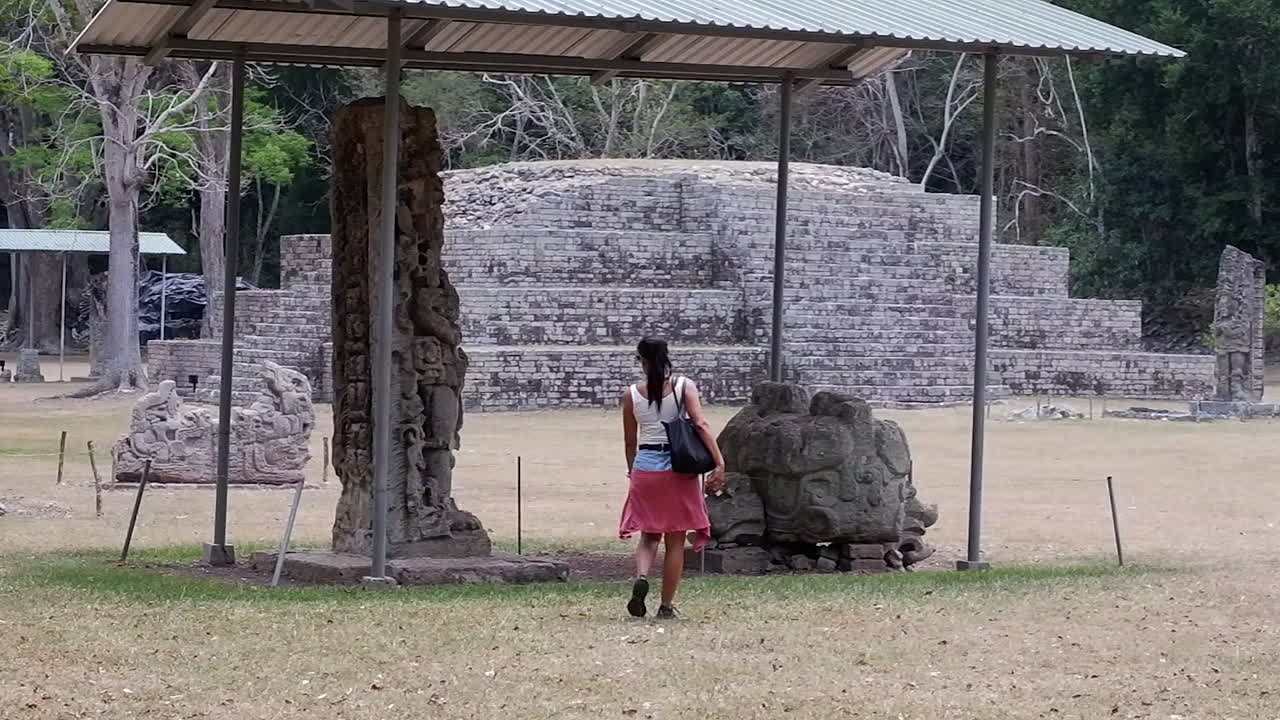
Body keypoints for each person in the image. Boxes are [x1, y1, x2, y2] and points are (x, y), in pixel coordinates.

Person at [619, 337, 726, 619]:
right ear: (666, 357)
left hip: (645, 467)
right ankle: (666, 606)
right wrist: (719, 461)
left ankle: (642, 577)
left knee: (648, 535)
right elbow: (700, 423)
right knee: (675, 541)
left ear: (642, 361)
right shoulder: (683, 386)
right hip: (678, 467)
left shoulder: (631, 394)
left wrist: (633, 471)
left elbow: (630, 441)